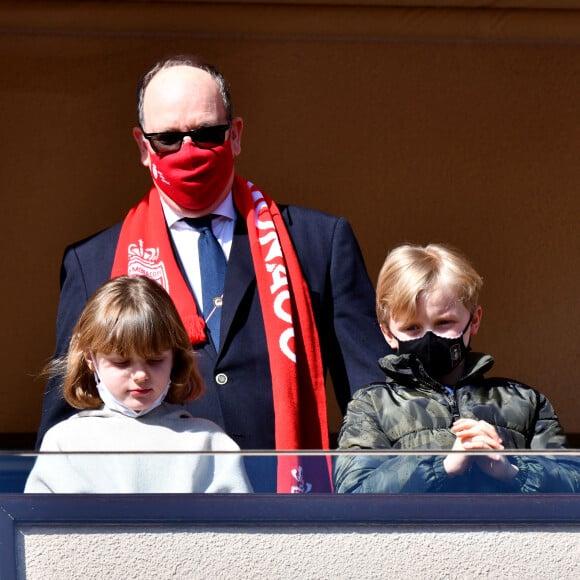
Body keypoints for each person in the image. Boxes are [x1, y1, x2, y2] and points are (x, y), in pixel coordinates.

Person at [36, 54, 388, 492]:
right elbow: (67, 414)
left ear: (235, 134)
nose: (189, 151)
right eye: (167, 138)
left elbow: (376, 403)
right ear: (144, 147)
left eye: (206, 134)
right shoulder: (92, 262)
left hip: (293, 515)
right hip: (156, 527)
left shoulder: (318, 242)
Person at [334, 243, 580, 493]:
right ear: (387, 333)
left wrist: (512, 471)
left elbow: (572, 484)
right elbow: (353, 493)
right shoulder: (372, 407)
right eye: (412, 328)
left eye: (444, 323)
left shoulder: (525, 402)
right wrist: (442, 467)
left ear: (474, 320)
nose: (429, 337)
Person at [25, 276, 252, 493]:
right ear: (90, 359)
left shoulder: (209, 442)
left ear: (175, 357)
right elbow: (42, 530)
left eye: (155, 360)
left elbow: (235, 530)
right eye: (121, 362)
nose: (141, 375)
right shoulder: (65, 442)